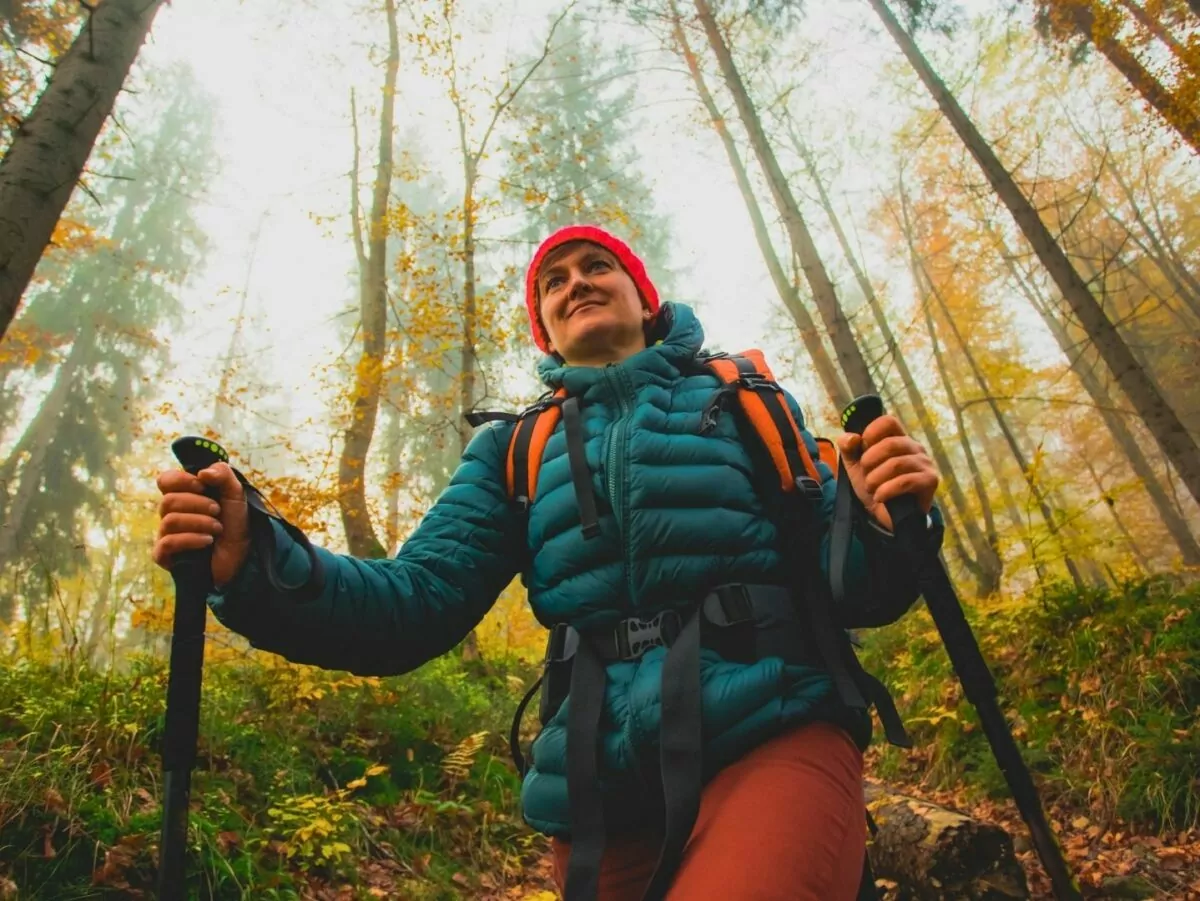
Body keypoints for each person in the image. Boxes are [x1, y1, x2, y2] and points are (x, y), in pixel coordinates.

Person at [154, 224, 941, 901]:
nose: (575, 284)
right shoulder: (512, 448)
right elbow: (412, 604)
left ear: (644, 297)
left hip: (771, 729)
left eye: (597, 266)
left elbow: (854, 587)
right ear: (544, 331)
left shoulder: (746, 400)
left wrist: (884, 522)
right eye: (553, 282)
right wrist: (255, 559)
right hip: (598, 785)